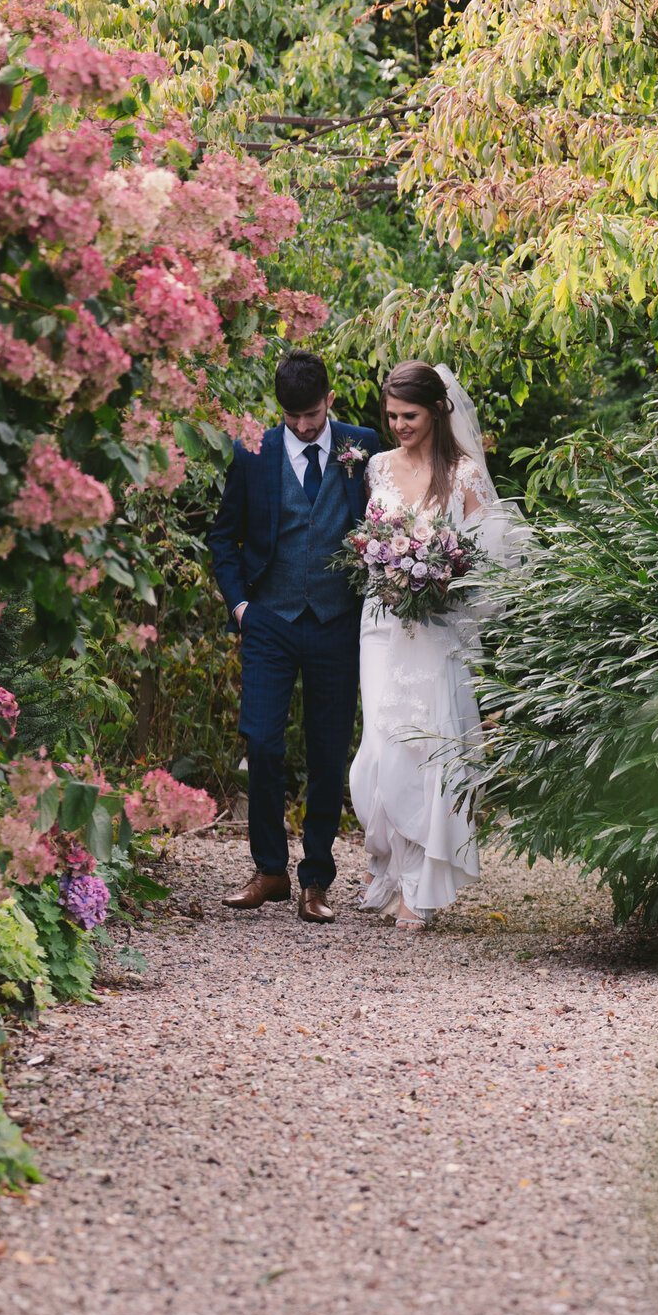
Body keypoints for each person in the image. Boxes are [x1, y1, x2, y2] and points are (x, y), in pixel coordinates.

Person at [349, 360, 526, 930]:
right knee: (379, 750)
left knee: (427, 750)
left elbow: (491, 558)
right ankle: (392, 865)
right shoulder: (376, 467)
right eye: (393, 415)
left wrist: (440, 575)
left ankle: (419, 887)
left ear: (439, 411)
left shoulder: (465, 475)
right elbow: (370, 539)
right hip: (380, 624)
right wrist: (384, 562)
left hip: (436, 628)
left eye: (411, 416)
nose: (399, 425)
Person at [205, 351, 381, 923]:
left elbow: (391, 523)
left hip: (337, 624)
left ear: (329, 399)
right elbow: (223, 536)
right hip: (269, 622)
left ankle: (317, 880)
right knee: (262, 741)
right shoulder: (252, 451)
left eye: (311, 413)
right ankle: (270, 871)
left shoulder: (364, 447)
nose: (303, 426)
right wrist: (240, 607)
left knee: (328, 752)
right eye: (292, 417)